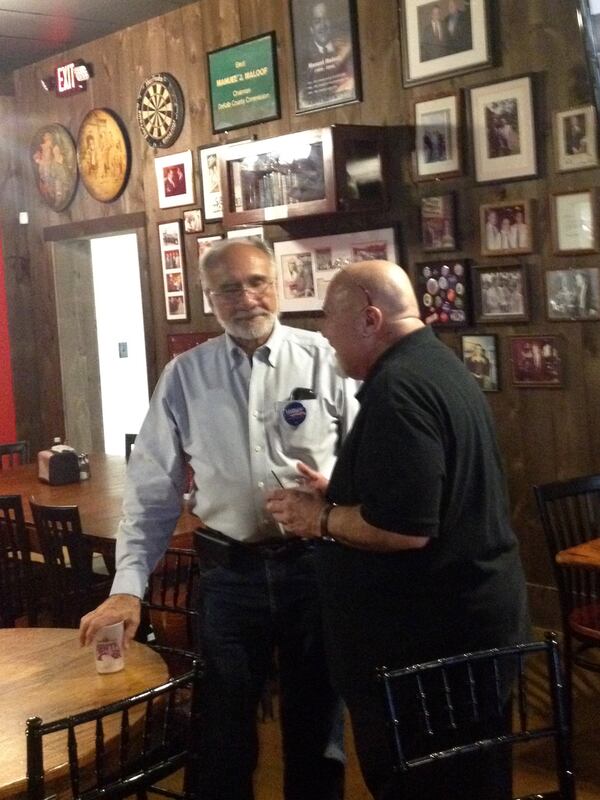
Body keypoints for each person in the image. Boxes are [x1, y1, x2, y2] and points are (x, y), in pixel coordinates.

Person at [79, 238, 359, 800]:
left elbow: (369, 466)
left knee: (318, 732)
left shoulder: (327, 359)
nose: (247, 298)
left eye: (257, 282)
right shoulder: (184, 376)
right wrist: (128, 588)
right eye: (229, 288)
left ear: (276, 284)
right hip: (229, 579)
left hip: (317, 570)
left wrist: (339, 505)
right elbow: (151, 491)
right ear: (210, 299)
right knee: (222, 736)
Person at [266, 260, 529, 800]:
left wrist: (318, 519)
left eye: (329, 321)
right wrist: (339, 492)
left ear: (369, 318)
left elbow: (406, 528)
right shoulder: (436, 364)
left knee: (431, 786)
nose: (324, 334)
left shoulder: (399, 390)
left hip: (431, 655)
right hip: (469, 630)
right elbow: (426, 489)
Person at [301, 1, 355, 108]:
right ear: (311, 28)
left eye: (326, 19)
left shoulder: (347, 48)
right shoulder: (304, 60)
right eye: (317, 21)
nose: (323, 25)